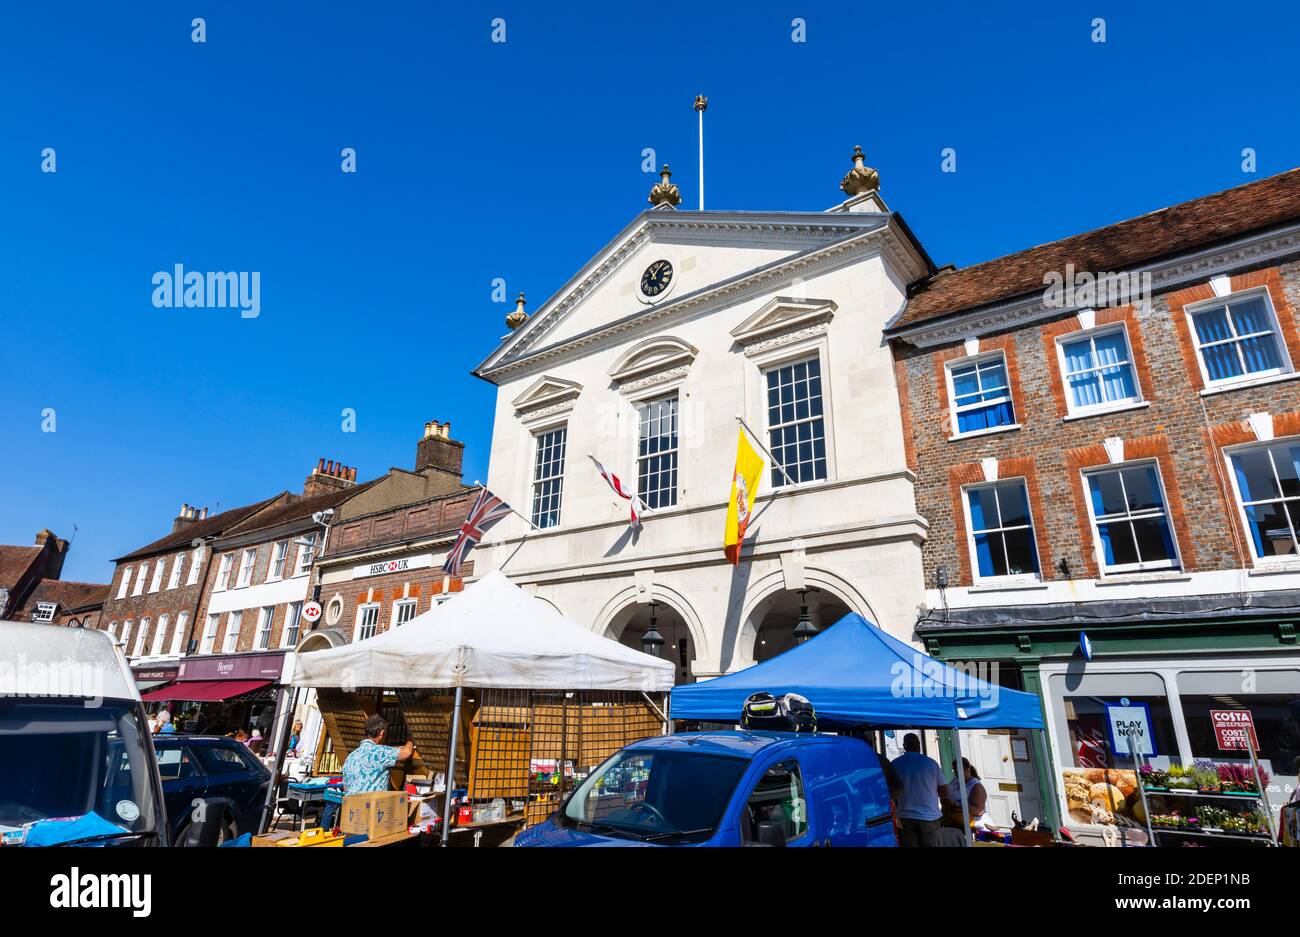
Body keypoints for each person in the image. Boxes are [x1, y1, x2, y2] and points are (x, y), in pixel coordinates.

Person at [890, 733, 953, 846]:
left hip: (905, 816)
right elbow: (944, 791)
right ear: (918, 745)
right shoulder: (931, 763)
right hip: (930, 816)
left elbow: (891, 790)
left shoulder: (895, 764)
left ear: (904, 746)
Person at [341, 715, 416, 795]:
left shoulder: (351, 756)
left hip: (351, 805)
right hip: (372, 805)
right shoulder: (380, 752)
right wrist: (410, 739)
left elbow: (345, 788)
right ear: (382, 734)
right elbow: (407, 752)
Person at [946, 757, 991, 830]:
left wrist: (957, 804)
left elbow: (978, 811)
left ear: (967, 769)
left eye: (959, 770)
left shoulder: (976, 786)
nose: (956, 773)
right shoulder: (954, 781)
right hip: (955, 822)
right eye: (954, 770)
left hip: (975, 825)